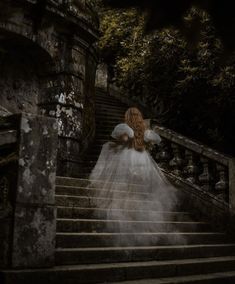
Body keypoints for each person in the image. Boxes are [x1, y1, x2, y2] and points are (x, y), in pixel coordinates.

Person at [88, 107, 178, 217]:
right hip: (142, 158)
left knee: (124, 182)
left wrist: (121, 143)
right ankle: (138, 208)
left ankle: (126, 207)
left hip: (128, 156)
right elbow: (151, 143)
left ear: (128, 117)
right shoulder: (145, 131)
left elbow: (123, 141)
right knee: (139, 185)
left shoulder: (125, 128)